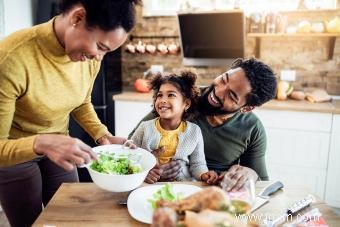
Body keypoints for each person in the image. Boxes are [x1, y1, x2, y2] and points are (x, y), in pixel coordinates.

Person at [0, 0, 141, 226]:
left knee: (72, 217)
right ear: (77, 18)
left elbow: (80, 101)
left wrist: (103, 136)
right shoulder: (11, 58)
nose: (99, 58)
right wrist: (41, 143)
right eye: (101, 47)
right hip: (15, 153)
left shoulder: (89, 58)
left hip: (60, 145)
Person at [129, 58, 277, 191]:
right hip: (164, 189)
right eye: (224, 79)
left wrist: (251, 174)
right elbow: (131, 146)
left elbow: (262, 184)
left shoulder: (252, 129)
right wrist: (148, 166)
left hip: (216, 196)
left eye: (231, 95)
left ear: (246, 108)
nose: (218, 91)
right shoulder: (183, 99)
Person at [130, 71, 218, 184]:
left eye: (171, 95)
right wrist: (144, 172)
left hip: (183, 185)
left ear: (186, 104)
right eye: (159, 95)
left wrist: (204, 175)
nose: (162, 100)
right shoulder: (145, 128)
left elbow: (197, 164)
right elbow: (131, 157)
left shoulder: (194, 131)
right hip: (149, 185)